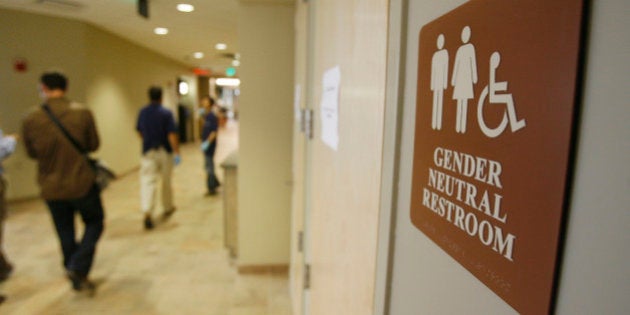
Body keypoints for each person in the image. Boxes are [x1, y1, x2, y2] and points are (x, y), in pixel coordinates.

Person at [22, 71, 104, 293]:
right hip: (81, 182)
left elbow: (31, 152)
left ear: (43, 88)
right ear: (66, 88)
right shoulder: (82, 113)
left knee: (64, 230)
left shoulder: (31, 118)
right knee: (95, 222)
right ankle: (78, 267)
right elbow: (94, 144)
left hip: (50, 186)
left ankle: (72, 266)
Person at [136, 86, 180, 230]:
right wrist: (177, 151)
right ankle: (167, 207)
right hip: (164, 151)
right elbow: (171, 134)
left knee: (148, 181)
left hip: (148, 151)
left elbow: (139, 131)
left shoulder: (143, 112)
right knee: (166, 180)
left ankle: (147, 211)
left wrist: (147, 141)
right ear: (161, 97)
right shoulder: (166, 113)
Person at [199, 96, 220, 195]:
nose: (203, 101)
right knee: (208, 165)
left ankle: (211, 188)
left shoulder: (212, 116)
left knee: (209, 166)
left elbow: (214, 132)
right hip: (206, 144)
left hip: (210, 145)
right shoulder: (206, 116)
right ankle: (215, 183)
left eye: (206, 101)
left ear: (210, 104)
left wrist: (207, 142)